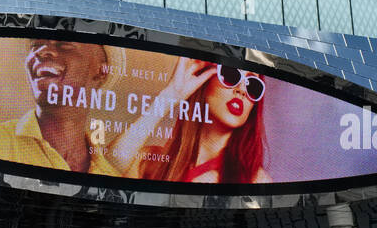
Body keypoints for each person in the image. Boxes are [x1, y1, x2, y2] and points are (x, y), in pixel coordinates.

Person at [0, 39, 120, 176]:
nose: (42, 51)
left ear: (101, 71)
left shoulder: (110, 177)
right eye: (35, 45)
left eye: (64, 44)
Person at [106, 57, 272, 184]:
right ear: (205, 78)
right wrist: (169, 97)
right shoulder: (150, 161)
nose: (242, 90)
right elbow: (107, 167)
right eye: (230, 74)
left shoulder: (255, 179)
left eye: (253, 86)